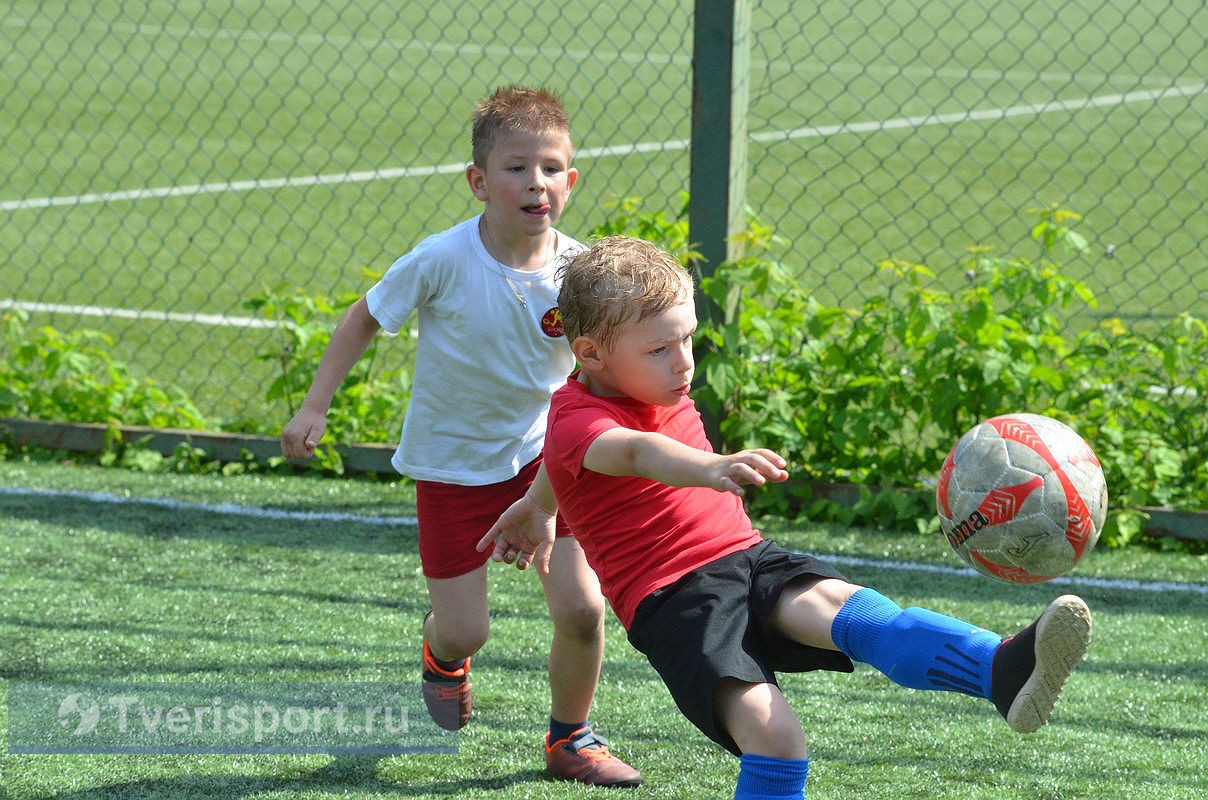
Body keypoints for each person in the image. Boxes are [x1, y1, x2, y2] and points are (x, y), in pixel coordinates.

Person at [480, 235, 1092, 800]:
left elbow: (565, 467)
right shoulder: (577, 418)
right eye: (660, 349)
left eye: (688, 338)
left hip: (747, 555)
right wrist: (710, 466)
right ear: (591, 354)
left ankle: (999, 669)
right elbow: (631, 451)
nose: (683, 362)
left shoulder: (649, 385)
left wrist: (538, 505)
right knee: (777, 740)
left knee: (864, 616)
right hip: (677, 603)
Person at [280, 87, 641, 788]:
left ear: (570, 181)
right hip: (453, 468)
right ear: (479, 181)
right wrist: (314, 406)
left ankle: (571, 740)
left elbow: (615, 361)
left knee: (581, 606)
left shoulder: (583, 272)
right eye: (514, 168)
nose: (533, 183)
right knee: (467, 630)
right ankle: (443, 656)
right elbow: (363, 318)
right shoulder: (442, 258)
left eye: (549, 167)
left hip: (550, 464)